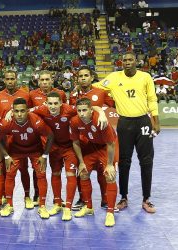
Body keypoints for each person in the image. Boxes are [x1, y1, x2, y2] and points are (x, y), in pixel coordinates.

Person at [94, 51, 160, 213]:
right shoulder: (115, 77)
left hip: (143, 121)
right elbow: (96, 87)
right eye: (125, 60)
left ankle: (146, 199)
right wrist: (83, 85)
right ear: (121, 62)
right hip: (124, 123)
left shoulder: (145, 77)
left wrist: (155, 121)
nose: (127, 62)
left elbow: (152, 99)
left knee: (146, 160)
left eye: (131, 59)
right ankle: (123, 197)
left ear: (136, 62)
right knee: (123, 161)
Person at [0, 98, 54, 219]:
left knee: (41, 174)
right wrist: (6, 155)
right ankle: (9, 205)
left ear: (28, 110)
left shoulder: (36, 121)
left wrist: (44, 155)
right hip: (16, 150)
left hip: (35, 149)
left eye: (22, 111)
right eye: (16, 111)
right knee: (10, 174)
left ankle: (42, 206)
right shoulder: (7, 122)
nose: (19, 114)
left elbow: (50, 135)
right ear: (12, 111)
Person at [69, 65, 116, 211]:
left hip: (100, 136)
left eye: (85, 76)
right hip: (83, 139)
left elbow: (113, 106)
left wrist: (102, 113)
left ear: (91, 77)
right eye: (80, 76)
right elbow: (72, 112)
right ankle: (83, 199)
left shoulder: (101, 93)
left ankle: (105, 199)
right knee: (81, 169)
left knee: (104, 171)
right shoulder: (73, 94)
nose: (83, 78)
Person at [70, 98, 118, 227]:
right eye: (79, 110)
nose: (82, 113)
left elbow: (111, 144)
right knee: (83, 173)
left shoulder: (100, 121)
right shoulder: (75, 121)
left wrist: (109, 164)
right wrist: (81, 162)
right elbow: (75, 142)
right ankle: (89, 207)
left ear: (91, 110)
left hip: (108, 147)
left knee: (110, 176)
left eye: (85, 110)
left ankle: (110, 212)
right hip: (93, 147)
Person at [31, 92, 78, 220]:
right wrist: (9, 112)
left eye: (56, 103)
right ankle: (57, 203)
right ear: (46, 103)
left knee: (70, 175)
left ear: (61, 103)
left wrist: (101, 113)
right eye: (50, 103)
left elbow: (91, 109)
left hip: (69, 147)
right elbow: (26, 111)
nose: (53, 106)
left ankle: (68, 208)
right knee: (55, 174)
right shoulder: (41, 109)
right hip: (54, 147)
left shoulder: (69, 109)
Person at [0, 70, 34, 209]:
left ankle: (27, 196)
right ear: (4, 80)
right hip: (3, 139)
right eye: (7, 79)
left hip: (21, 139)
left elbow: (31, 113)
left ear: (17, 79)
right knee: (4, 169)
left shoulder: (25, 95)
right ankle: (3, 196)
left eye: (12, 78)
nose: (10, 81)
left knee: (23, 168)